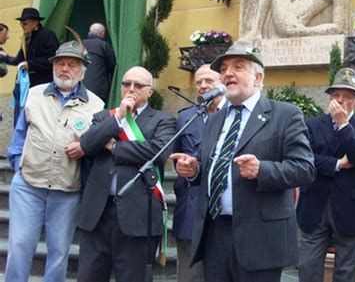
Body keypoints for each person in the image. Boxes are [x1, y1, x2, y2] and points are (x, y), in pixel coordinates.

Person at [170, 41, 315, 282]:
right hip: (215, 233)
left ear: (258, 78)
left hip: (260, 238)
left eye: (238, 67)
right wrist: (194, 170)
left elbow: (305, 169)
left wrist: (262, 170)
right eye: (224, 68)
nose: (228, 73)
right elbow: (213, 169)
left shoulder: (285, 115)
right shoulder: (215, 119)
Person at [5, 40, 104, 282]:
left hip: (67, 190)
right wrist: (17, 165)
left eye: (72, 64)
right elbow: (19, 134)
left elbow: (98, 148)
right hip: (28, 185)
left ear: (82, 70)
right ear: (53, 67)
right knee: (19, 245)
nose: (65, 69)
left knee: (59, 252)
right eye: (60, 63)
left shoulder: (96, 105)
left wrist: (84, 148)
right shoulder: (35, 94)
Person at [77, 66, 176, 282]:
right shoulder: (104, 116)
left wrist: (114, 147)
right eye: (126, 84)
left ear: (150, 91)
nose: (131, 89)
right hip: (98, 214)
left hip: (137, 215)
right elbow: (87, 144)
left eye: (138, 85)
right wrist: (119, 117)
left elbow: (156, 153)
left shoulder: (163, 120)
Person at [297, 67, 355, 282]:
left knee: (345, 272)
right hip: (314, 204)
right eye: (336, 95)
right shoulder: (313, 125)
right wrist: (337, 163)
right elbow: (305, 159)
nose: (340, 100)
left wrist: (343, 124)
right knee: (307, 268)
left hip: (349, 208)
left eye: (347, 96)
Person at [173, 64, 224, 282]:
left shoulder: (234, 115)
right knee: (190, 275)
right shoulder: (186, 117)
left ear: (222, 83)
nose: (203, 86)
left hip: (222, 206)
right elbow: (177, 155)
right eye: (199, 82)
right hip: (191, 204)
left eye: (209, 81)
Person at [0, 7, 59, 87]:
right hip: (27, 84)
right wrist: (5, 57)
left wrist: (30, 64)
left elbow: (54, 59)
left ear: (35, 23)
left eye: (25, 23)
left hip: (43, 84)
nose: (22, 26)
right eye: (21, 23)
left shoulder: (47, 35)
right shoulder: (25, 39)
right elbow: (19, 60)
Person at [82, 22, 116, 104]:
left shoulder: (80, 44)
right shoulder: (104, 46)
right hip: (98, 88)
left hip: (80, 87)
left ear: (89, 33)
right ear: (102, 33)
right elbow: (112, 66)